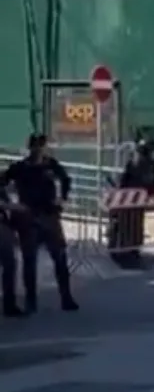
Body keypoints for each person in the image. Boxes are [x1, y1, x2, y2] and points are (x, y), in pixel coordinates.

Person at [0, 133, 78, 313]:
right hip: (28, 217)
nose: (38, 149)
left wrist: (62, 198)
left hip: (49, 215)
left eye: (41, 146)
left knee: (59, 257)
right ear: (30, 148)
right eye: (35, 146)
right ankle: (31, 300)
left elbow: (65, 180)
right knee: (30, 261)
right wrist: (12, 204)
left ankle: (66, 297)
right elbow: (2, 181)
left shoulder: (51, 165)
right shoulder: (20, 167)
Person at [111, 139, 154, 269]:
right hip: (134, 199)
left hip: (130, 199)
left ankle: (127, 250)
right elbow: (152, 181)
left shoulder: (137, 163)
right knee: (132, 225)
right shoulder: (145, 164)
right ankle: (130, 250)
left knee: (129, 225)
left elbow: (124, 179)